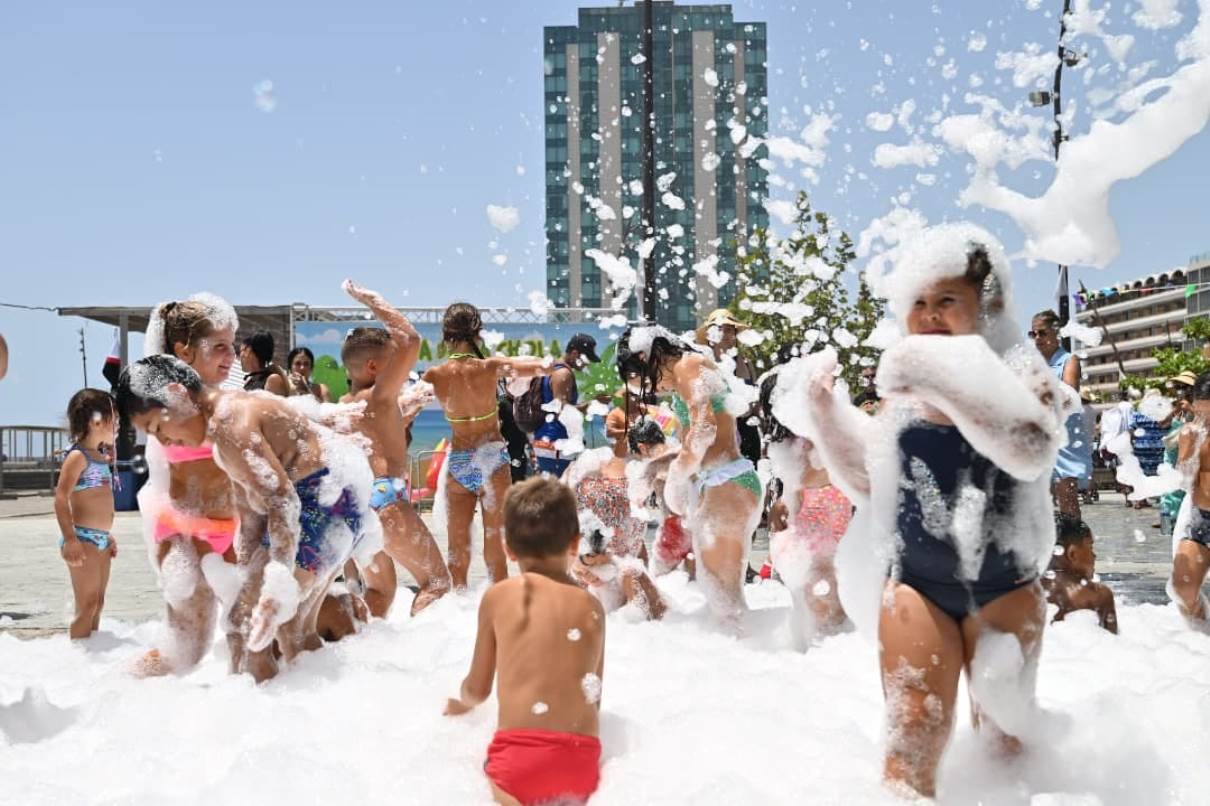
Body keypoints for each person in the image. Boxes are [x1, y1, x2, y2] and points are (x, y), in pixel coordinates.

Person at [803, 225, 1065, 797]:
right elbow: (874, 485)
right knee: (912, 727)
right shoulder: (906, 396)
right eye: (918, 302)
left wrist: (942, 379)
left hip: (1006, 585)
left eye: (947, 300)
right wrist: (824, 413)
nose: (928, 315)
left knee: (1003, 742)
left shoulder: (1025, 374)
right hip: (918, 585)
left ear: (987, 306)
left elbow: (1032, 449)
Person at [116, 354, 378, 682]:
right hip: (339, 497)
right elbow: (253, 513)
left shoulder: (230, 424)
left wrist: (276, 579)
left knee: (248, 624)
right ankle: (318, 708)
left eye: (157, 427)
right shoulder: (223, 428)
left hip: (322, 503)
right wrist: (249, 573)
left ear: (178, 394)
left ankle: (258, 712)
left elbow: (283, 502)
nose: (164, 441)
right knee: (288, 629)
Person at [444, 476, 605, 806]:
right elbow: (594, 696)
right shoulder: (593, 607)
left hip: (517, 761)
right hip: (580, 761)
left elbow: (477, 690)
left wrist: (459, 705)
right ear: (575, 543)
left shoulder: (498, 597)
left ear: (508, 549)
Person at [617, 325, 763, 627]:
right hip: (725, 484)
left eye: (644, 382)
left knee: (724, 597)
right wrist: (654, 468)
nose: (653, 391)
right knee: (724, 594)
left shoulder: (687, 366)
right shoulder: (689, 370)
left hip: (727, 484)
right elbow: (695, 441)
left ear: (647, 357)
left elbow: (705, 430)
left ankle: (743, 661)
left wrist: (677, 477)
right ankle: (742, 658)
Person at [134, 296, 244, 677]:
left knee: (242, 636)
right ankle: (118, 696)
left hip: (226, 533)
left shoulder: (223, 399)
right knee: (186, 649)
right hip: (187, 535)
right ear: (183, 350)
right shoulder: (175, 403)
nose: (231, 355)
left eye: (232, 345)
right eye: (218, 347)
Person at [340, 280, 451, 616]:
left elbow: (377, 438)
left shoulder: (346, 405)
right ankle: (428, 665)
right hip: (386, 500)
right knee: (436, 583)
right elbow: (412, 339)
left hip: (358, 506)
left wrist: (408, 411)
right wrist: (370, 299)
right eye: (394, 364)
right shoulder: (379, 396)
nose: (402, 373)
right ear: (374, 367)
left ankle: (362, 661)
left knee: (379, 591)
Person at [423, 303, 551, 589]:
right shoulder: (489, 367)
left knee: (457, 544)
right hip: (491, 457)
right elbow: (541, 366)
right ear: (478, 332)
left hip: (459, 460)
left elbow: (402, 404)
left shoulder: (434, 374)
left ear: (445, 334)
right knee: (495, 538)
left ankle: (457, 603)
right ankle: (499, 599)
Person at [760, 371, 849, 648]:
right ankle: (822, 655)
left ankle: (817, 652)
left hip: (819, 529)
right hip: (816, 533)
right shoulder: (802, 441)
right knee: (825, 607)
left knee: (823, 604)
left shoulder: (803, 438)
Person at [565, 416, 666, 620]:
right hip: (599, 562)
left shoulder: (593, 462)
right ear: (644, 447)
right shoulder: (642, 472)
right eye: (659, 449)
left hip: (588, 560)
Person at [53, 389, 118, 639]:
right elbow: (60, 499)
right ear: (96, 422)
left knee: (98, 604)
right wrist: (70, 539)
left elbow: (101, 502)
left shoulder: (100, 457)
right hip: (82, 538)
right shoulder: (78, 457)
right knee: (87, 605)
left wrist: (108, 535)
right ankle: (75, 656)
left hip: (100, 539)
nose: (118, 426)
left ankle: (91, 656)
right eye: (116, 421)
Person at [1030, 309, 1091, 521]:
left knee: (1067, 497)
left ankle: (1074, 545)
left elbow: (1069, 395)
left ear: (1057, 333)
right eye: (1033, 334)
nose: (1037, 338)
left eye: (1042, 333)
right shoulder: (1032, 364)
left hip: (1065, 440)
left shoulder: (1069, 360)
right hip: (1040, 437)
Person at [1169, 371, 1210, 628]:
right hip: (1202, 517)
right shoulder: (1190, 433)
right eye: (1202, 414)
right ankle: (1202, 635)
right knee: (1182, 587)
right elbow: (1183, 479)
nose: (1205, 421)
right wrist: (1191, 450)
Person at [531, 333, 600, 478]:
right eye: (586, 359)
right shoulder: (563, 373)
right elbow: (561, 412)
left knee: (553, 494)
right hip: (556, 444)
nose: (587, 364)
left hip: (550, 443)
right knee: (557, 496)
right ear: (575, 353)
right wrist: (589, 405)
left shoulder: (554, 369)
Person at [1043, 517, 1118, 633]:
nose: (1094, 555)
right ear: (1072, 554)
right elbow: (1114, 644)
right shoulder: (1098, 594)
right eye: (1090, 547)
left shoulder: (1028, 592)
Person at [1161, 372, 1198, 536]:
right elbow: (1162, 423)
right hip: (1171, 452)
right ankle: (1168, 523)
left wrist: (1191, 408)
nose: (1179, 391)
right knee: (1168, 489)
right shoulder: (1176, 407)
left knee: (1184, 488)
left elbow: (1203, 422)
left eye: (1183, 387)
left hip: (1188, 452)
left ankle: (1183, 522)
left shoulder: (1198, 405)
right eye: (1177, 387)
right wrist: (1175, 409)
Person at [240, 330, 289, 395]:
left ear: (250, 351)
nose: (240, 355)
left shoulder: (272, 380)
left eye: (242, 350)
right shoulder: (250, 381)